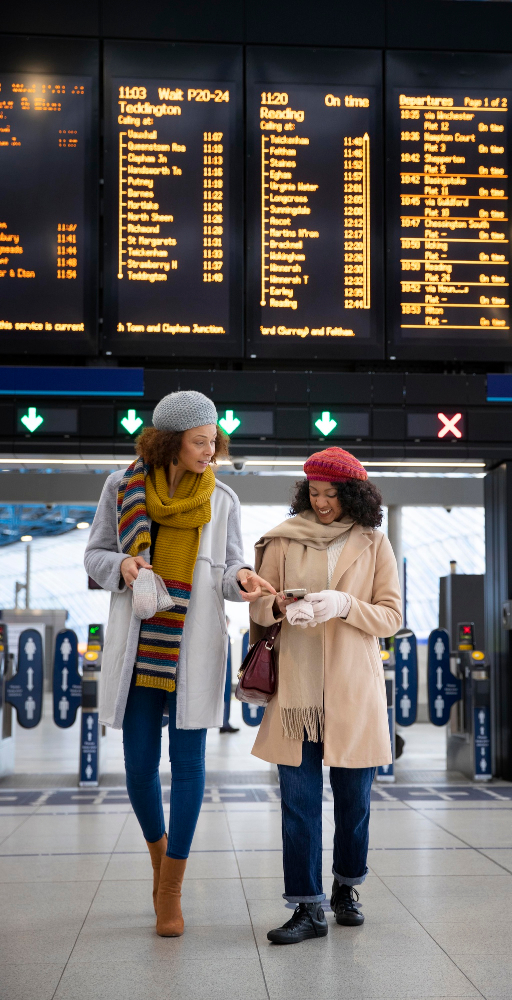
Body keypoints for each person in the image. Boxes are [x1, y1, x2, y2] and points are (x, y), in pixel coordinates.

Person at [84, 391, 274, 937]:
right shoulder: (121, 489)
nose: (210, 450)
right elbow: (95, 555)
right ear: (169, 443)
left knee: (188, 767)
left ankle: (171, 887)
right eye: (199, 441)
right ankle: (157, 855)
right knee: (139, 768)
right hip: (140, 646)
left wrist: (242, 578)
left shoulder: (223, 499)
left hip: (193, 646)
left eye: (214, 440)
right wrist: (122, 565)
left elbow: (228, 568)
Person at [249, 446, 402, 944]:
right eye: (313, 493)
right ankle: (307, 907)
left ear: (353, 495)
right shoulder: (283, 538)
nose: (320, 503)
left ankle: (346, 886)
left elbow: (391, 617)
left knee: (354, 802)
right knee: (298, 804)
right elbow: (258, 606)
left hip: (352, 691)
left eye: (331, 494)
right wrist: (279, 608)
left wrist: (343, 605)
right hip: (297, 691)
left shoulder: (374, 542)